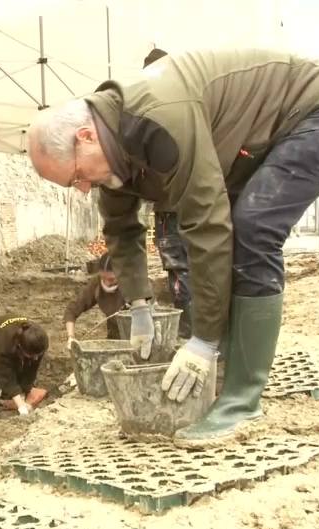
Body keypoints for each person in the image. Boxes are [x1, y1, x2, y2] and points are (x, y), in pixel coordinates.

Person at [27, 49, 319, 447]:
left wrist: (203, 341)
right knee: (236, 232)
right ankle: (233, 367)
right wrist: (139, 306)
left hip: (315, 111)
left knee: (253, 226)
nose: (82, 187)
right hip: (251, 137)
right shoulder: (112, 148)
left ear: (86, 137)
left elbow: (206, 226)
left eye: (77, 176)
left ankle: (242, 398)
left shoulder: (160, 120)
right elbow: (120, 226)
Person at [143, 47, 193, 339]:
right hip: (199, 202)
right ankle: (211, 334)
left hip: (169, 204)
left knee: (178, 270)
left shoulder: (149, 106)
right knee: (202, 267)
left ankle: (188, 331)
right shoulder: (190, 99)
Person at [0, 315, 49, 415]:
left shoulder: (39, 340)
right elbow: (5, 375)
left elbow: (33, 369)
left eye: (38, 355)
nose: (36, 358)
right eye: (32, 355)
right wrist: (20, 405)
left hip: (18, 346)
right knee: (4, 389)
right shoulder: (4, 346)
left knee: (25, 378)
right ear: (20, 347)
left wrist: (25, 389)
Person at [64, 252, 128, 343]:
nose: (107, 283)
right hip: (114, 339)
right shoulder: (97, 284)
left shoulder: (135, 284)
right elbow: (72, 310)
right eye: (103, 278)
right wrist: (71, 336)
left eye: (111, 279)